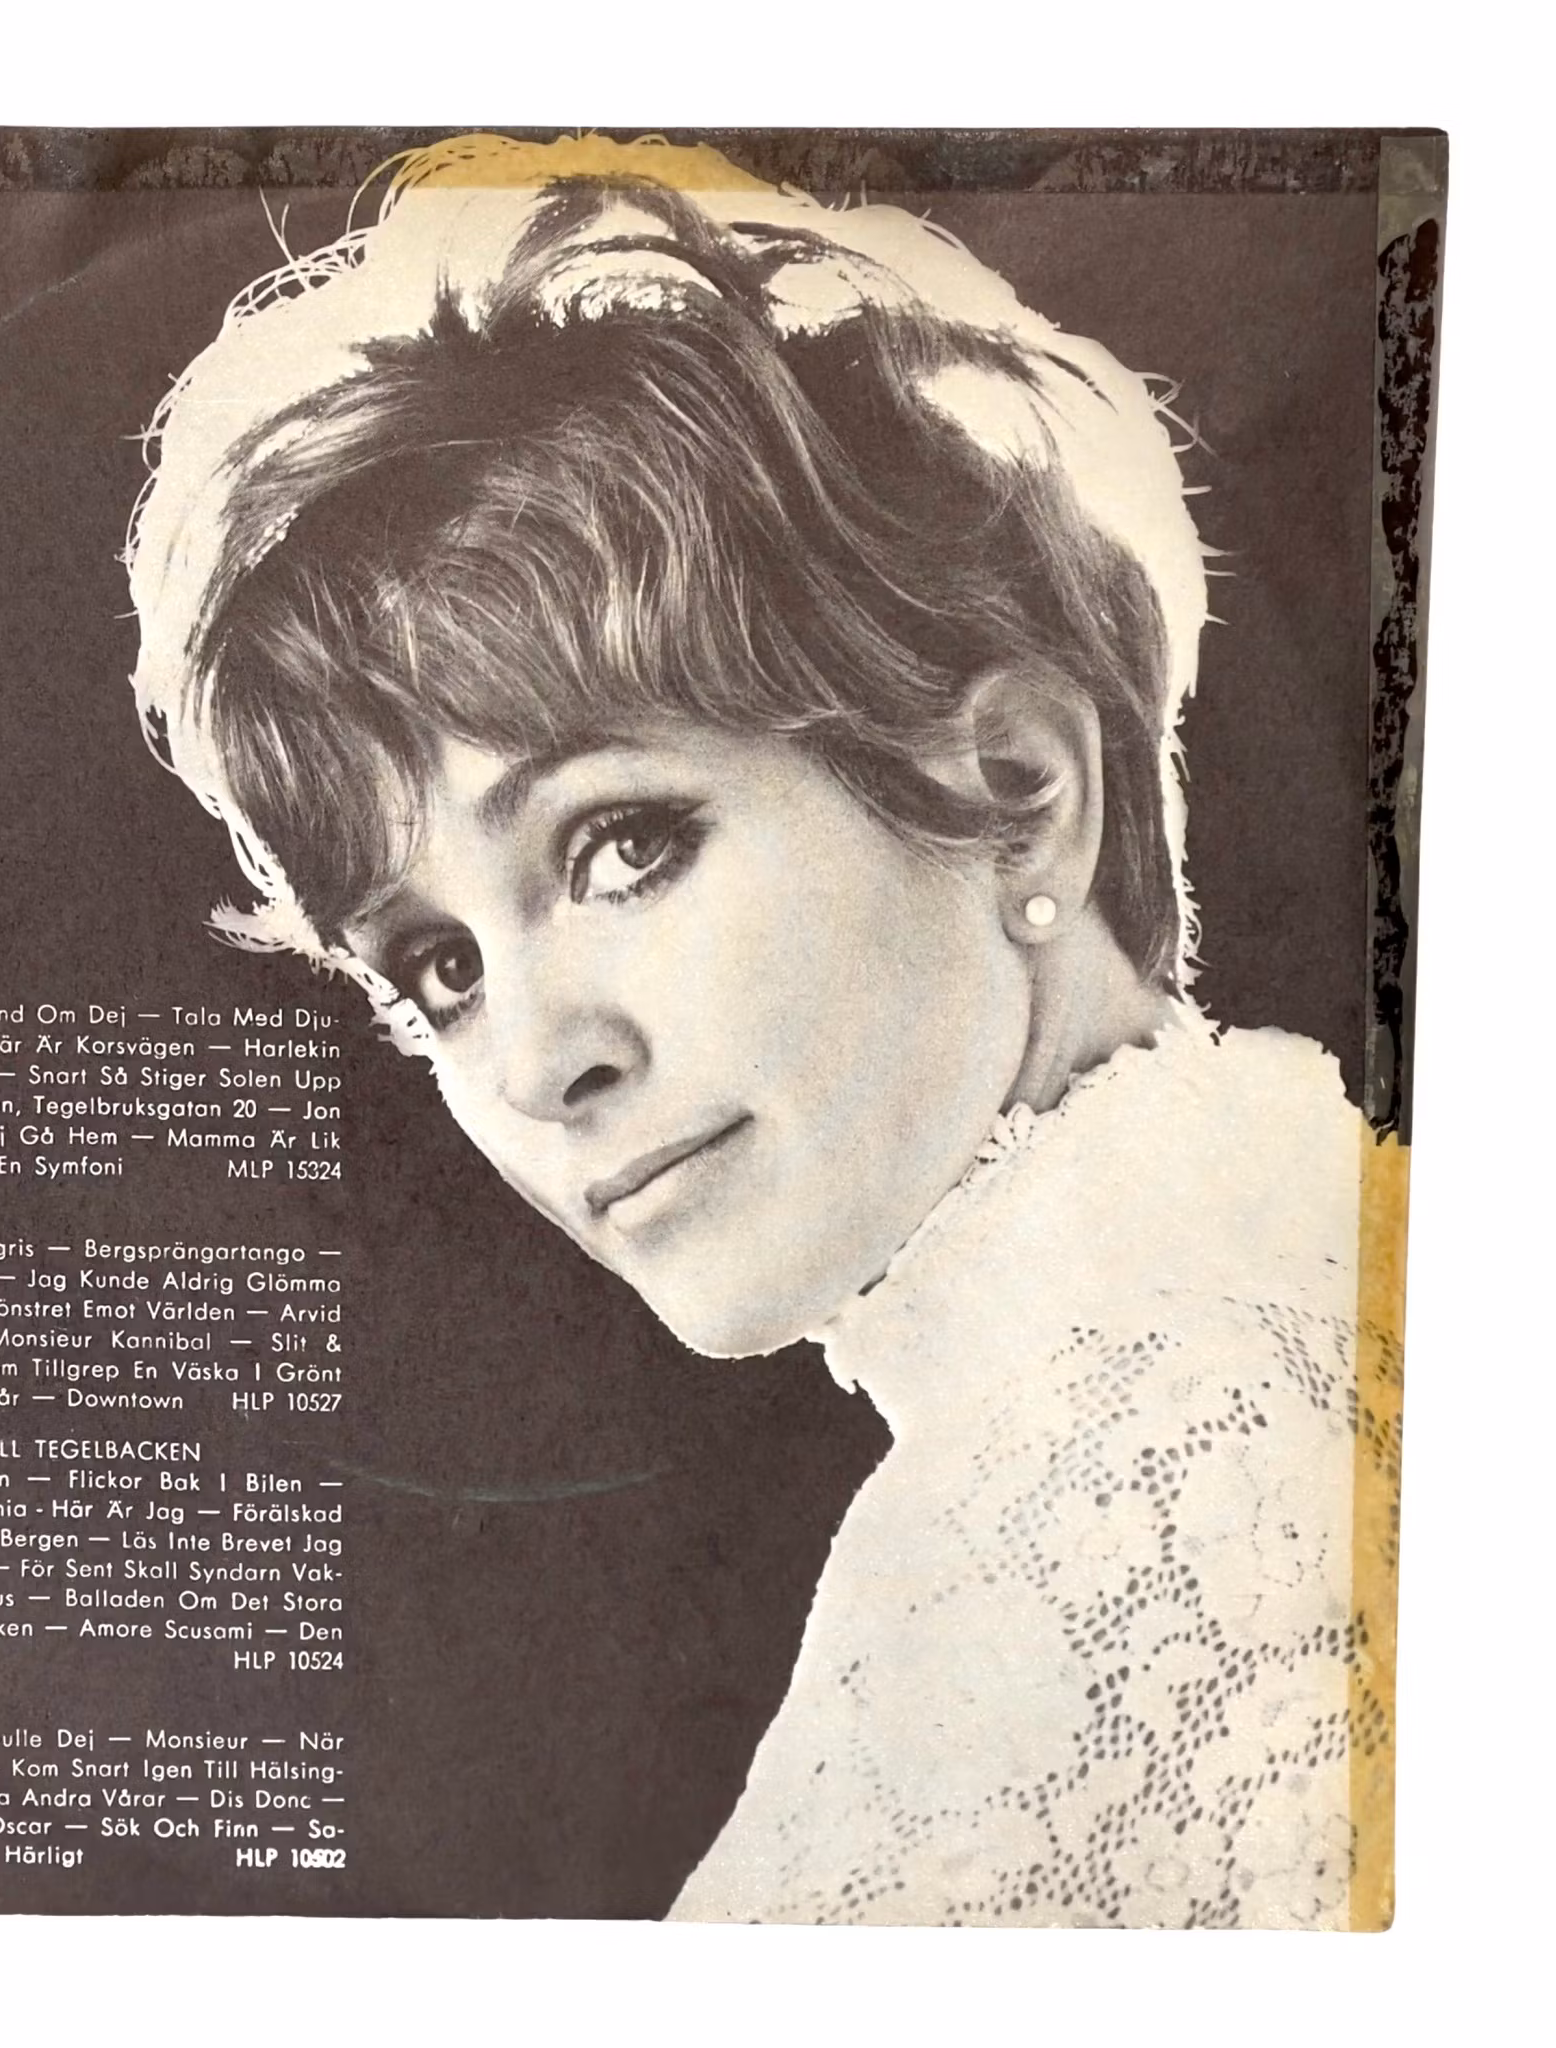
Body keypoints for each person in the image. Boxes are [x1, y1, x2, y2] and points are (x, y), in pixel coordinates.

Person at [122, 133, 1394, 1928]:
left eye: (622, 847)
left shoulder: (1081, 1516)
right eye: (439, 967)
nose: (534, 1064)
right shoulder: (1342, 1295)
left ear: (1017, 791)